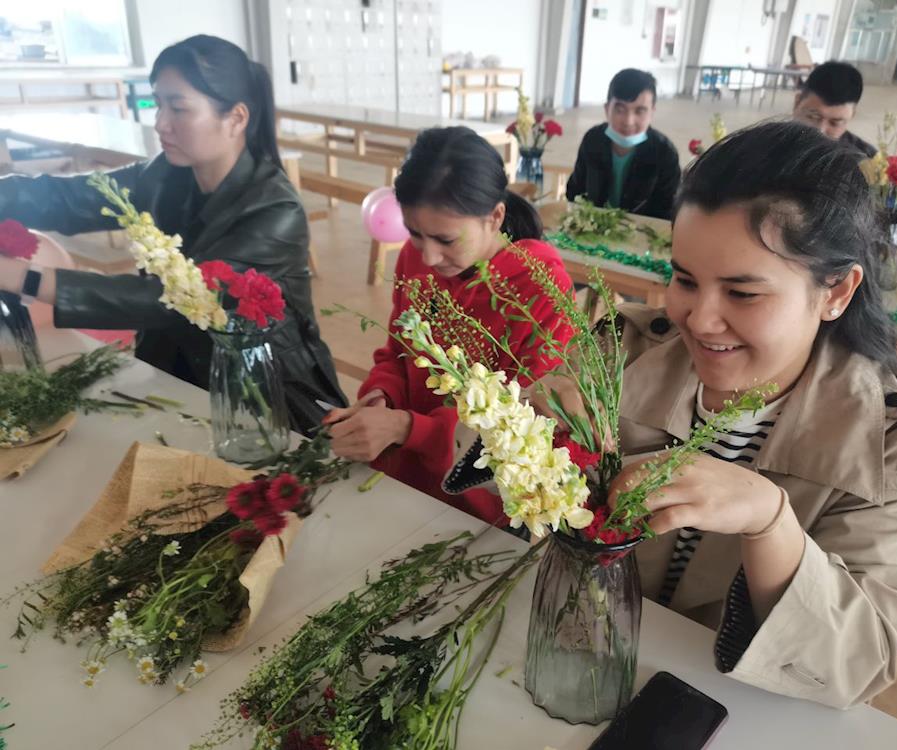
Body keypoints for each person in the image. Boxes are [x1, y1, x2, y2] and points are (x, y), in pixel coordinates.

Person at [534, 121, 897, 709]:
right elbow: (505, 494)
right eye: (684, 280)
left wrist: (770, 522)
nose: (700, 319)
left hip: (729, 708)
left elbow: (858, 665)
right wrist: (531, 426)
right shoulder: (625, 351)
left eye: (743, 293)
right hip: (581, 661)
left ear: (835, 292)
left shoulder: (886, 449)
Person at [0, 35, 346, 431]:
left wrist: (22, 277)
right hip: (174, 370)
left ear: (236, 118)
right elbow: (72, 198)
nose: (161, 123)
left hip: (263, 393)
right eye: (158, 104)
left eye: (178, 108)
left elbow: (172, 299)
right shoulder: (166, 174)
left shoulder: (274, 210)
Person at [323, 126, 573, 523]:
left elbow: (521, 423)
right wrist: (381, 397)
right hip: (402, 475)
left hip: (478, 501)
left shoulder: (539, 288)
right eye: (415, 234)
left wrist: (407, 428)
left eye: (446, 240)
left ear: (495, 217)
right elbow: (398, 352)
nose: (428, 257)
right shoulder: (415, 258)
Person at [565, 68, 680, 220]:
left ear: (652, 112)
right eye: (620, 110)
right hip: (593, 228)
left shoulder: (665, 153)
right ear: (607, 109)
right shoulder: (593, 140)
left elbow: (668, 211)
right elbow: (574, 192)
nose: (628, 121)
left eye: (639, 111)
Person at [792, 61, 876, 159]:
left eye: (835, 123)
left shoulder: (867, 161)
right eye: (813, 117)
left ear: (852, 115)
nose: (821, 131)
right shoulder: (775, 142)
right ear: (797, 102)